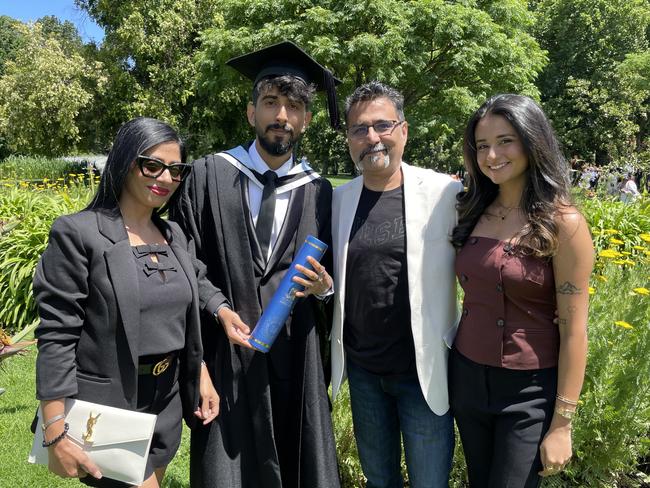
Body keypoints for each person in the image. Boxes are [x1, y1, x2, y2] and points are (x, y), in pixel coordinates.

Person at [170, 41, 340, 488]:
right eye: (270, 103)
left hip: (294, 353)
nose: (281, 115)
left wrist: (324, 287)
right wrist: (218, 307)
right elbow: (183, 257)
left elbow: (336, 279)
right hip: (227, 348)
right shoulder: (207, 175)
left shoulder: (319, 190)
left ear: (305, 119)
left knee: (295, 454)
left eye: (293, 106)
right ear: (251, 113)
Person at [33, 117, 220, 488]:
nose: (165, 178)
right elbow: (57, 335)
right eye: (152, 165)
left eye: (176, 170)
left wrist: (201, 373)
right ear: (124, 162)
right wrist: (54, 429)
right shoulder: (79, 233)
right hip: (110, 404)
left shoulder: (173, 234)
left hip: (166, 401)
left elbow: (187, 300)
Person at [449, 94, 593, 487]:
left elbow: (574, 329)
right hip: (467, 379)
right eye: (481, 145)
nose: (492, 155)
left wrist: (562, 423)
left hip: (528, 392)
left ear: (532, 141)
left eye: (505, 140)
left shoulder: (564, 224)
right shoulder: (471, 209)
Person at [330, 81, 462, 488]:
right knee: (378, 478)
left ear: (403, 130)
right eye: (359, 129)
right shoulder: (337, 200)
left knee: (430, 481)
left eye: (382, 125)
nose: (372, 137)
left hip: (422, 372)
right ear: (349, 139)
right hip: (365, 370)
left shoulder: (446, 193)